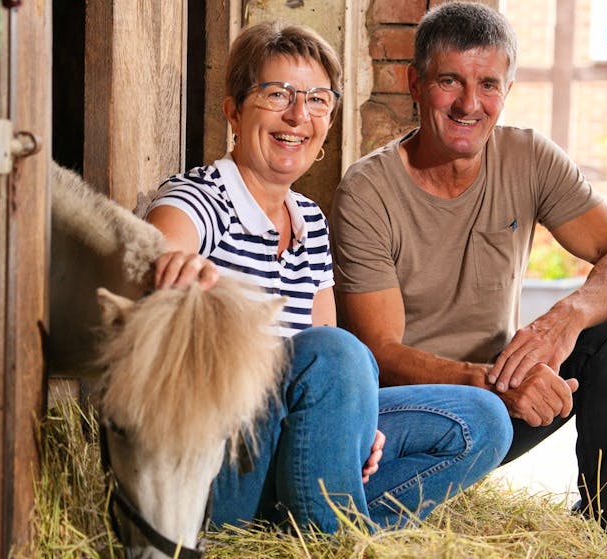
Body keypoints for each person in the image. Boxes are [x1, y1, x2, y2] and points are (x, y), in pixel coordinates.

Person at [144, 21, 512, 532]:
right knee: (338, 351)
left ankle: (314, 522)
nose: (299, 116)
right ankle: (337, 540)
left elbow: (328, 366)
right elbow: (163, 245)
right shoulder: (202, 198)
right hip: (216, 467)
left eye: (317, 100)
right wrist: (176, 265)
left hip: (292, 458)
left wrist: (350, 422)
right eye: (277, 94)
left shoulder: (310, 222)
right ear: (234, 111)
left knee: (484, 418)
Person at [330, 1, 607, 550]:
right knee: (468, 408)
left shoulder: (529, 157)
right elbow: (380, 354)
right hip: (408, 424)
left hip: (503, 401)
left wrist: (564, 320)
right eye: (450, 82)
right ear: (415, 84)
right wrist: (490, 385)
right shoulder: (367, 192)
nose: (469, 104)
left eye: (487, 84)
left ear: (507, 90)